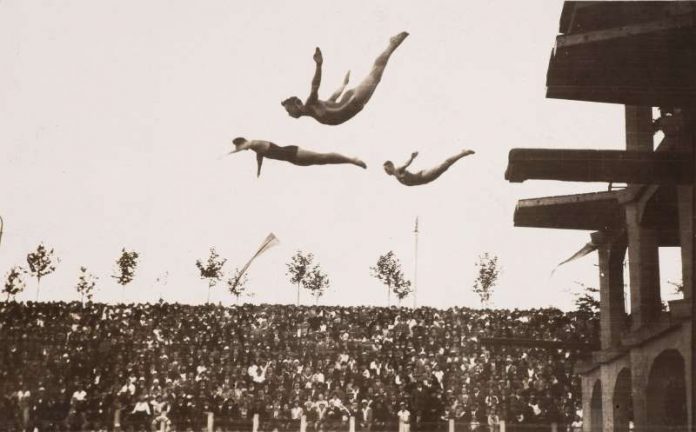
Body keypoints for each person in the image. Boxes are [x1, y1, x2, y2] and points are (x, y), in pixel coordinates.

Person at [281, 32, 409, 125]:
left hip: (352, 100)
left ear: (298, 103)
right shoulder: (314, 109)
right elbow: (333, 98)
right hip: (352, 102)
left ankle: (392, 44)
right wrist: (344, 84)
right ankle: (391, 45)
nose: (289, 114)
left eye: (288, 110)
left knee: (376, 72)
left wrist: (319, 65)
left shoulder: (310, 104)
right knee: (376, 74)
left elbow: (315, 85)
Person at [229, 138, 366, 177]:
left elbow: (250, 143)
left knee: (322, 157)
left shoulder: (255, 143)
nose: (240, 150)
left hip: (293, 152)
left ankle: (351, 160)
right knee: (322, 162)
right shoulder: (256, 150)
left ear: (242, 143)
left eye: (239, 147)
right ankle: (350, 161)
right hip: (293, 159)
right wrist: (258, 171)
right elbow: (259, 159)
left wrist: (233, 151)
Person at [383, 150, 475, 186]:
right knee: (444, 166)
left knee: (444, 165)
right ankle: (462, 153)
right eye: (385, 170)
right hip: (422, 177)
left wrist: (411, 158)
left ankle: (463, 153)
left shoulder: (398, 170)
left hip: (423, 176)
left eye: (386, 169)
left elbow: (406, 164)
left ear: (391, 166)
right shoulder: (396, 175)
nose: (386, 171)